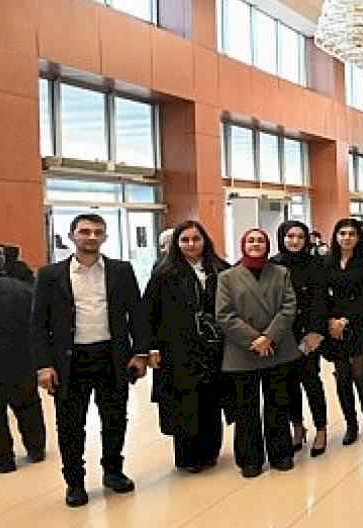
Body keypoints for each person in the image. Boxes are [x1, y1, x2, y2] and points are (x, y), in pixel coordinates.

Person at [31, 213, 149, 507]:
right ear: (72, 235)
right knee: (70, 425)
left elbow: (137, 314)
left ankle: (113, 471)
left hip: (112, 356)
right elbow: (38, 324)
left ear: (105, 237)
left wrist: (140, 353)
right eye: (85, 231)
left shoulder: (121, 271)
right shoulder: (50, 275)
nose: (91, 237)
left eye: (98, 232)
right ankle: (74, 482)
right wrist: (43, 365)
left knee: (115, 419)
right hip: (70, 361)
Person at [141, 221, 231, 474]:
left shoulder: (220, 269)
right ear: (177, 244)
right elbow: (149, 313)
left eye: (196, 239)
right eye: (185, 240)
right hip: (177, 349)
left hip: (214, 348)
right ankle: (188, 457)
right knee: (185, 403)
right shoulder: (164, 274)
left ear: (205, 241)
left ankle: (210, 451)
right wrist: (151, 348)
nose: (191, 244)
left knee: (211, 400)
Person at [216, 228, 299, 478]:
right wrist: (255, 339)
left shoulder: (281, 273)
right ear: (243, 245)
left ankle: (281, 454)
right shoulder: (227, 277)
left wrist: (269, 337)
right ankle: (249, 459)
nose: (255, 244)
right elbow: (224, 315)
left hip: (277, 347)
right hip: (243, 350)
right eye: (251, 240)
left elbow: (289, 307)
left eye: (260, 240)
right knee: (246, 409)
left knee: (278, 404)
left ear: (267, 245)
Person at [0, 247, 45, 473]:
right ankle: (36, 449)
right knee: (28, 405)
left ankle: (2, 459)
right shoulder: (25, 289)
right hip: (23, 359)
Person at [271, 221, 329, 457]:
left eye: (300, 237)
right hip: (283, 335)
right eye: (290, 236)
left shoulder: (316, 264)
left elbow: (321, 300)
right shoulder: (273, 264)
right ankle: (297, 426)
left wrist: (315, 332)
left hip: (308, 334)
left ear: (306, 240)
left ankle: (321, 429)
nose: (294, 241)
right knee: (289, 385)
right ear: (282, 238)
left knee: (311, 381)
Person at [322, 219, 363, 447]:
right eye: (342, 233)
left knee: (361, 375)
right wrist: (331, 321)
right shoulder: (326, 262)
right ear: (336, 236)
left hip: (360, 325)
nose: (347, 238)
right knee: (343, 376)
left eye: (352, 234)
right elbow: (322, 295)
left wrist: (345, 320)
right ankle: (351, 425)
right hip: (333, 328)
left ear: (359, 237)